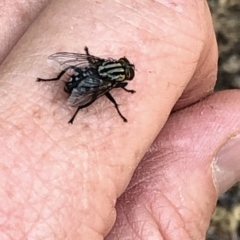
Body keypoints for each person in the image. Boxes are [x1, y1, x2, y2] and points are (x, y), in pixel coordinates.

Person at [0, 0, 239, 239]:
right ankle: (64, 96)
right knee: (95, 92)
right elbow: (99, 91)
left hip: (84, 75)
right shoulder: (114, 81)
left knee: (80, 74)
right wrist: (91, 108)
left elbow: (79, 63)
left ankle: (54, 83)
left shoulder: (103, 65)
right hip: (87, 81)